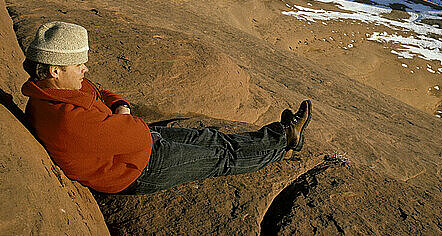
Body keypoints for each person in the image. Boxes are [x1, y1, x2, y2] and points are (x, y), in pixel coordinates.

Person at [22, 21, 311, 195]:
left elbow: (100, 91)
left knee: (211, 137)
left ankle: (281, 135)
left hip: (132, 144)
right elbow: (134, 132)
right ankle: (282, 144)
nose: (86, 68)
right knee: (220, 158)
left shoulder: (58, 90)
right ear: (54, 69)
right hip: (139, 169)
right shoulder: (66, 120)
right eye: (78, 64)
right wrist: (123, 117)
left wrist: (120, 106)